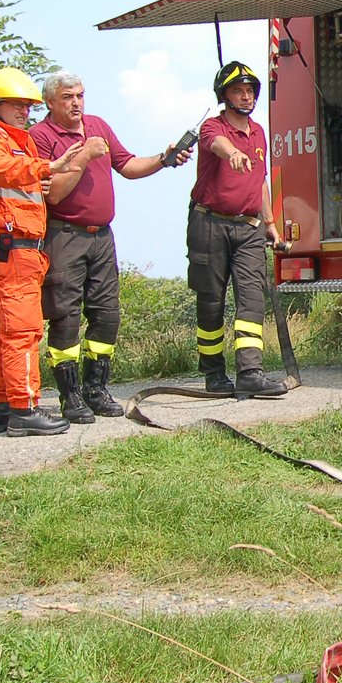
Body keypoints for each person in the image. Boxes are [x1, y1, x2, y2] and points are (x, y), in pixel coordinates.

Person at [30, 72, 192, 424]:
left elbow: (128, 165)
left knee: (106, 314)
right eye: (68, 97)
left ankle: (96, 389)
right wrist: (85, 154)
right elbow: (53, 193)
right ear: (50, 103)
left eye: (81, 95)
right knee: (65, 317)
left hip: (102, 236)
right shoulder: (40, 137)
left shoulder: (98, 125)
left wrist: (164, 158)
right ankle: (69, 396)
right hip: (64, 235)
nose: (76, 103)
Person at [0, 68, 86, 437]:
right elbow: (1, 170)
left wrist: (41, 172)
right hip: (9, 248)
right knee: (23, 331)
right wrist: (49, 166)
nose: (24, 112)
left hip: (18, 249)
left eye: (27, 106)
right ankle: (25, 409)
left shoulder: (16, 141)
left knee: (5, 332)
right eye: (16, 105)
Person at [188, 62, 286, 398]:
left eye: (249, 91)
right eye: (237, 91)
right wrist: (232, 153)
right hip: (210, 223)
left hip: (249, 228)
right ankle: (214, 374)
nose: (245, 97)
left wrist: (271, 223)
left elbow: (260, 181)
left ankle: (250, 372)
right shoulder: (211, 128)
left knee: (252, 298)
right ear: (224, 96)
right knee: (211, 301)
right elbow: (217, 145)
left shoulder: (258, 132)